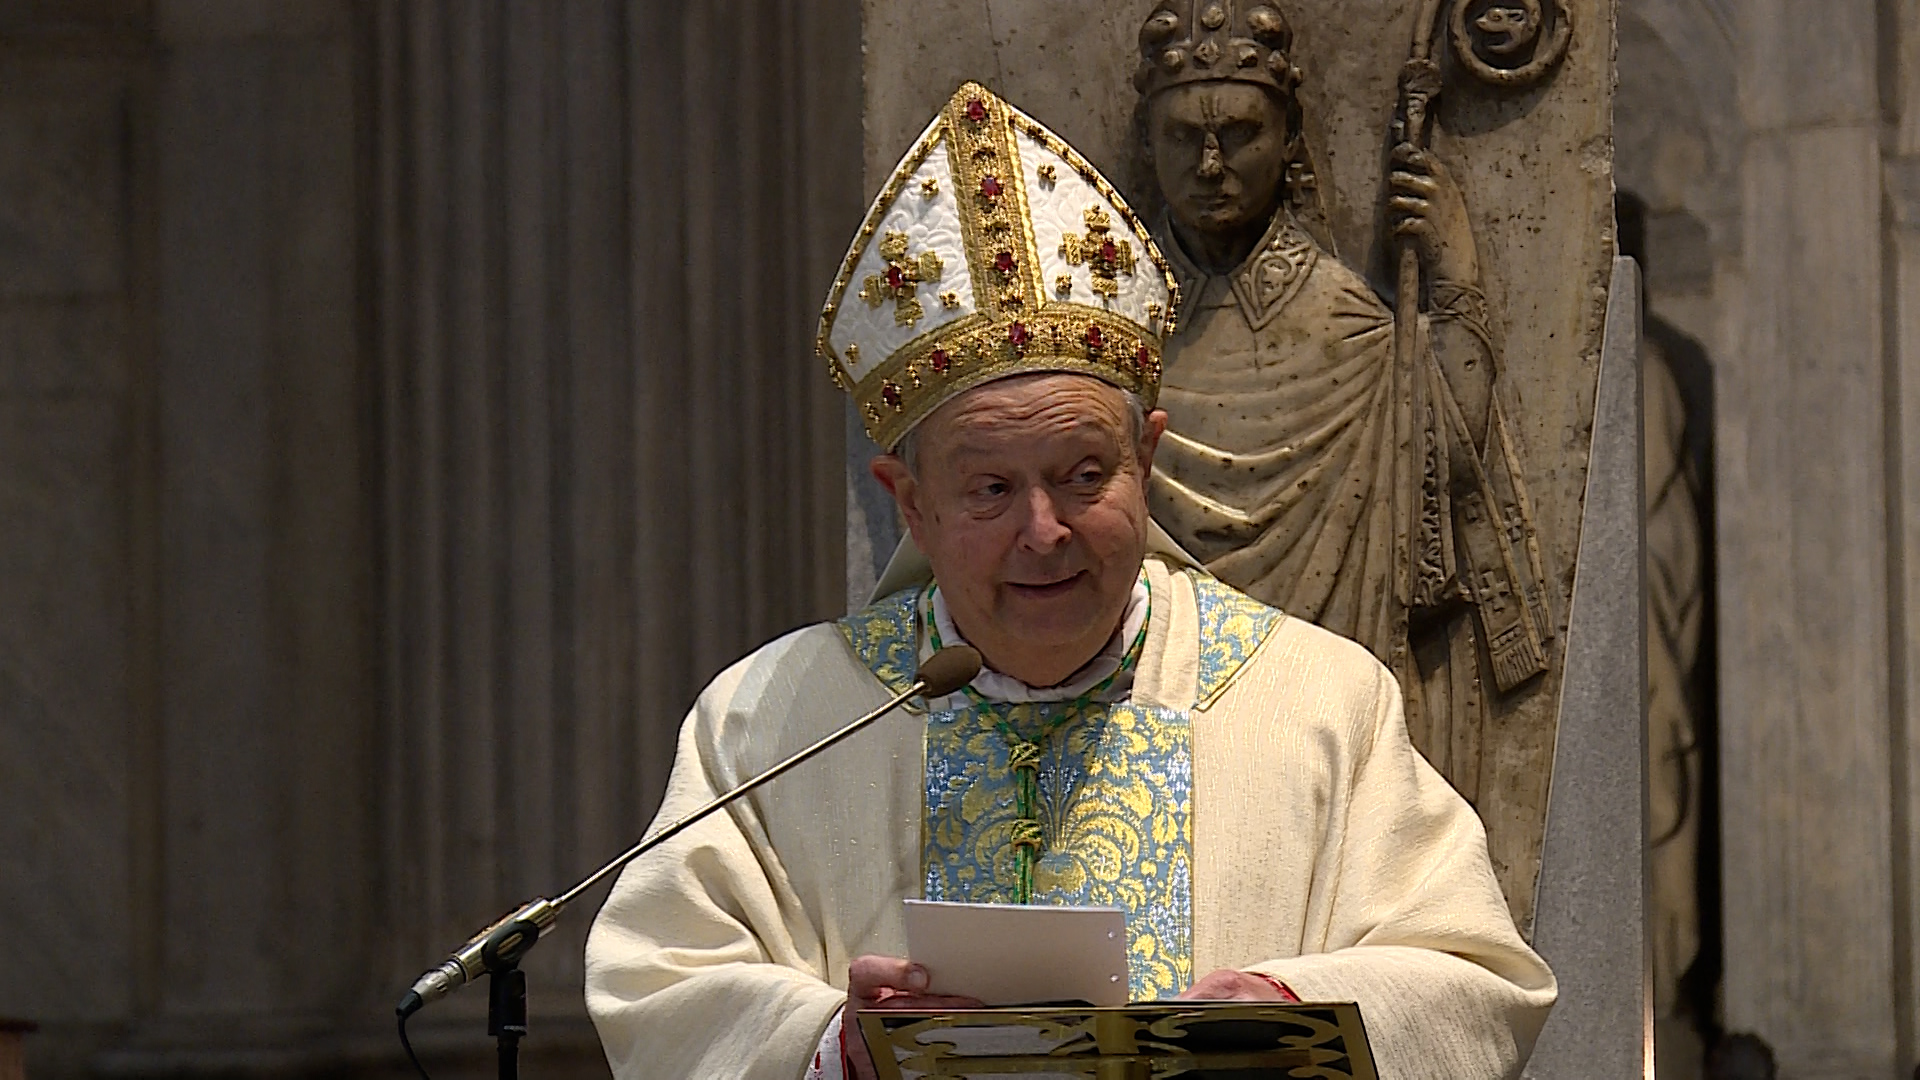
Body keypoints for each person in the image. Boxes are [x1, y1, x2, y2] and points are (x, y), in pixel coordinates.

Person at [584, 82, 1554, 1080]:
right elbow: (658, 987)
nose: (1044, 532)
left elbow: (1474, 981)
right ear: (910, 503)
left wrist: (1287, 1010)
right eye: (991, 490)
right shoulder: (774, 723)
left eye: (1086, 475)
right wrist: (835, 1047)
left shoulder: (1316, 702)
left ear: (1149, 459)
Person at [1135, 0, 1554, 826]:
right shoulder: (1118, 333)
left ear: (1289, 138)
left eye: (1240, 134)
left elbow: (1445, 473)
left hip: (1323, 743)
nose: (1211, 164)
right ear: (1149, 146)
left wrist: (1455, 279)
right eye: (1184, 137)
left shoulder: (1352, 330)